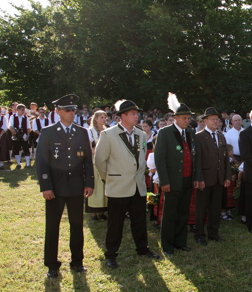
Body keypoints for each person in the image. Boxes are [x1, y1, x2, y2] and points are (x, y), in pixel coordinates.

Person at [94, 100, 161, 269]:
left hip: (138, 186)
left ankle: (143, 249)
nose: (136, 116)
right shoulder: (108, 134)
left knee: (139, 220)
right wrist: (108, 179)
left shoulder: (141, 134)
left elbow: (141, 157)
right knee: (115, 223)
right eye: (133, 113)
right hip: (117, 185)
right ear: (122, 116)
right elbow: (100, 161)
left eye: (136, 113)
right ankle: (111, 254)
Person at [35, 94, 94, 278]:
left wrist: (89, 182)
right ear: (57, 111)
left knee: (77, 226)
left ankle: (77, 261)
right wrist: (46, 186)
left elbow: (87, 161)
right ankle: (52, 265)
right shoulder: (48, 132)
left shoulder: (82, 132)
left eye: (73, 110)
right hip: (56, 188)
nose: (71, 113)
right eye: (67, 110)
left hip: (76, 187)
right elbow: (41, 162)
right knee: (52, 226)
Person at [153, 102, 201, 255]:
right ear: (176, 118)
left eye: (188, 118)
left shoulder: (191, 132)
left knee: (183, 212)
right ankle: (167, 245)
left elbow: (195, 156)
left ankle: (180, 241)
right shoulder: (165, 132)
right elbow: (160, 159)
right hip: (172, 180)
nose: (187, 121)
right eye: (184, 118)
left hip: (187, 178)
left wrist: (196, 177)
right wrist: (164, 181)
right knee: (170, 213)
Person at [194, 107, 231, 245]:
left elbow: (226, 158)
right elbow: (196, 160)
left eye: (217, 119)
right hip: (205, 179)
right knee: (201, 209)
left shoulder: (221, 136)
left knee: (216, 208)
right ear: (205, 121)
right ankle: (199, 234)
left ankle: (213, 233)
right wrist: (199, 178)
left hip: (219, 179)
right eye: (213, 119)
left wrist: (227, 176)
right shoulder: (198, 137)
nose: (216, 121)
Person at [86, 110, 108, 221]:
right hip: (94, 162)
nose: (104, 120)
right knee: (94, 186)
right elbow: (90, 149)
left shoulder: (106, 131)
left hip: (104, 162)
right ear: (95, 119)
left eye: (105, 117)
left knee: (103, 187)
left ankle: (102, 211)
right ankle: (93, 212)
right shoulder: (90, 131)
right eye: (101, 117)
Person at [8, 104, 32, 169]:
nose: (23, 111)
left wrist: (28, 135)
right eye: (22, 110)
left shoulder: (26, 117)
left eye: (24, 110)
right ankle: (18, 163)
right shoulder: (13, 117)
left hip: (24, 134)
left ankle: (28, 164)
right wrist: (14, 133)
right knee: (16, 149)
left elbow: (28, 127)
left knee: (26, 148)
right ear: (18, 109)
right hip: (16, 134)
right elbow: (10, 126)